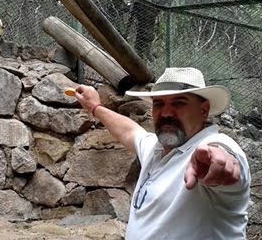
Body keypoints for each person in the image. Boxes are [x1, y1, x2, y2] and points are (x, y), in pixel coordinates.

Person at [73, 67, 250, 240]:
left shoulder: (215, 146)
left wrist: (221, 165)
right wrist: (95, 107)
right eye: (159, 104)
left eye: (179, 103)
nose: (166, 113)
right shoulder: (156, 149)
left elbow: (225, 160)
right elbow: (129, 131)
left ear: (203, 110)